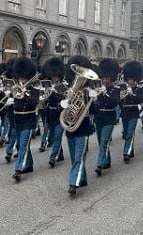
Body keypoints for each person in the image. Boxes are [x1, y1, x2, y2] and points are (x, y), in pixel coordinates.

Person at [61, 56, 97, 195]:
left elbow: (95, 111)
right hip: (71, 129)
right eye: (78, 77)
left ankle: (73, 184)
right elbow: (63, 110)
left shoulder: (89, 92)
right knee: (74, 157)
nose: (80, 79)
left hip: (83, 129)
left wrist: (93, 101)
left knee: (78, 158)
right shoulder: (69, 91)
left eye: (82, 77)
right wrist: (64, 103)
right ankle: (82, 179)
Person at [12, 57, 40, 182]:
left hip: (29, 120)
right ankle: (29, 165)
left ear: (28, 77)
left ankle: (18, 170)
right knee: (20, 145)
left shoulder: (34, 89)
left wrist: (26, 93)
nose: (21, 80)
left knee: (23, 145)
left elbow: (34, 103)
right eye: (20, 78)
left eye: (23, 78)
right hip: (18, 119)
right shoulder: (15, 88)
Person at [94, 58, 120, 176]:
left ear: (111, 78)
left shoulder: (116, 90)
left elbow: (115, 102)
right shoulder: (98, 89)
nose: (105, 80)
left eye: (107, 78)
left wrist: (105, 93)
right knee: (101, 142)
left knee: (104, 141)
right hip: (99, 118)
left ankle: (100, 164)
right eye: (103, 78)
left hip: (109, 118)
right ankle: (107, 160)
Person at [42, 57, 65, 167]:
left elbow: (66, 102)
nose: (54, 78)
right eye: (52, 76)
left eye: (55, 76)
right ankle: (60, 154)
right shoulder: (48, 86)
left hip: (60, 115)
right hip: (50, 115)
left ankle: (53, 157)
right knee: (53, 136)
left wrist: (57, 93)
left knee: (57, 136)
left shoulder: (64, 87)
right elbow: (44, 102)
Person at [120, 61, 143, 162]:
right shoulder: (123, 88)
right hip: (125, 112)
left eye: (132, 80)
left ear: (135, 80)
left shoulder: (139, 89)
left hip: (133, 112)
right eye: (129, 79)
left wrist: (132, 94)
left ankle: (126, 153)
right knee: (126, 134)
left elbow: (140, 99)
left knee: (130, 133)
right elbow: (118, 101)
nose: (130, 82)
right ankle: (131, 149)